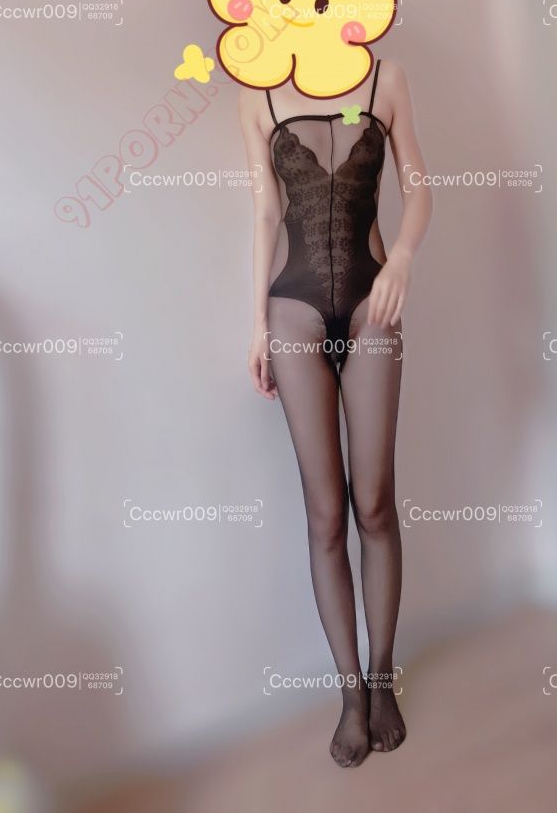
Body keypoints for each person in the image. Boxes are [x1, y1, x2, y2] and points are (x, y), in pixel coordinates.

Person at [239, 55, 432, 766]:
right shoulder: (257, 92)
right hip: (291, 312)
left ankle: (382, 679)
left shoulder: (385, 77)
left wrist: (403, 257)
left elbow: (418, 187)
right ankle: (350, 694)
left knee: (374, 503)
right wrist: (255, 327)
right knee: (325, 513)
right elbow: (266, 211)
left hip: (373, 305)